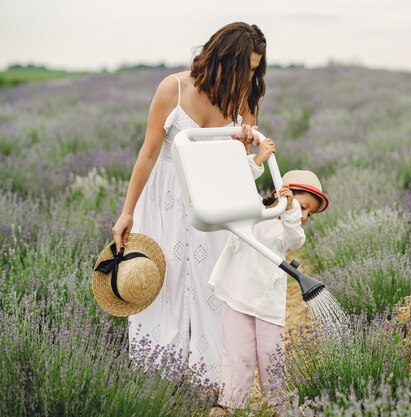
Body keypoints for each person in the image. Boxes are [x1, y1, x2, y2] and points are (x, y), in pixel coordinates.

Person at [111, 22, 271, 384]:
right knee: (161, 282)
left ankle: (210, 381)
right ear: (223, 59)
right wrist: (127, 211)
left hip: (210, 198)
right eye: (244, 67)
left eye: (254, 69)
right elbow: (149, 154)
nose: (249, 76)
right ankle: (157, 379)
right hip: (164, 196)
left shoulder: (243, 99)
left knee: (211, 287)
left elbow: (238, 169)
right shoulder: (174, 88)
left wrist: (243, 146)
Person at [208, 170, 329, 414]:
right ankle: (229, 403)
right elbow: (237, 185)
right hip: (238, 295)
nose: (304, 216)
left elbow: (296, 240)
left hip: (266, 303)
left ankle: (277, 405)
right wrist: (257, 161)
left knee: (271, 354)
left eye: (309, 213)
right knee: (236, 352)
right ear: (281, 192)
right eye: (303, 206)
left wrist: (292, 211)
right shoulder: (255, 213)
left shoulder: (288, 229)